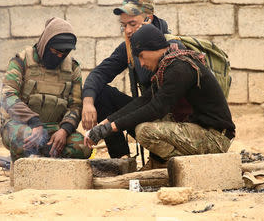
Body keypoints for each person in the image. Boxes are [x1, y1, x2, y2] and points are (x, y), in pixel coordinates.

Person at [84, 24, 235, 168]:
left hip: (215, 138)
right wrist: (105, 123)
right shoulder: (168, 65)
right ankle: (160, 162)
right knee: (142, 121)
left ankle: (169, 165)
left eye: (142, 56)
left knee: (144, 131)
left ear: (153, 48)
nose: (141, 63)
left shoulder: (179, 68)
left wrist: (111, 128)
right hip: (197, 129)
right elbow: (144, 101)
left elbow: (156, 108)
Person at [81, 0, 173, 159]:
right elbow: (100, 73)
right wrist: (88, 102)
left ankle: (161, 159)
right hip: (146, 109)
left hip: (172, 121)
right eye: (124, 26)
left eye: (132, 24)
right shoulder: (129, 47)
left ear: (149, 19)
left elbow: (156, 103)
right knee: (101, 94)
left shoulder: (170, 47)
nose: (128, 31)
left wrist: (110, 124)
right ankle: (121, 160)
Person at [0, 17, 92, 162]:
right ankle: (31, 159)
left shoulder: (72, 67)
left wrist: (64, 130)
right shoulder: (21, 61)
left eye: (64, 53)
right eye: (55, 51)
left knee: (82, 146)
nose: (59, 57)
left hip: (54, 129)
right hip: (23, 126)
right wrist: (34, 122)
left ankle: (45, 155)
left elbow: (76, 105)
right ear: (45, 43)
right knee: (24, 139)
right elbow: (8, 96)